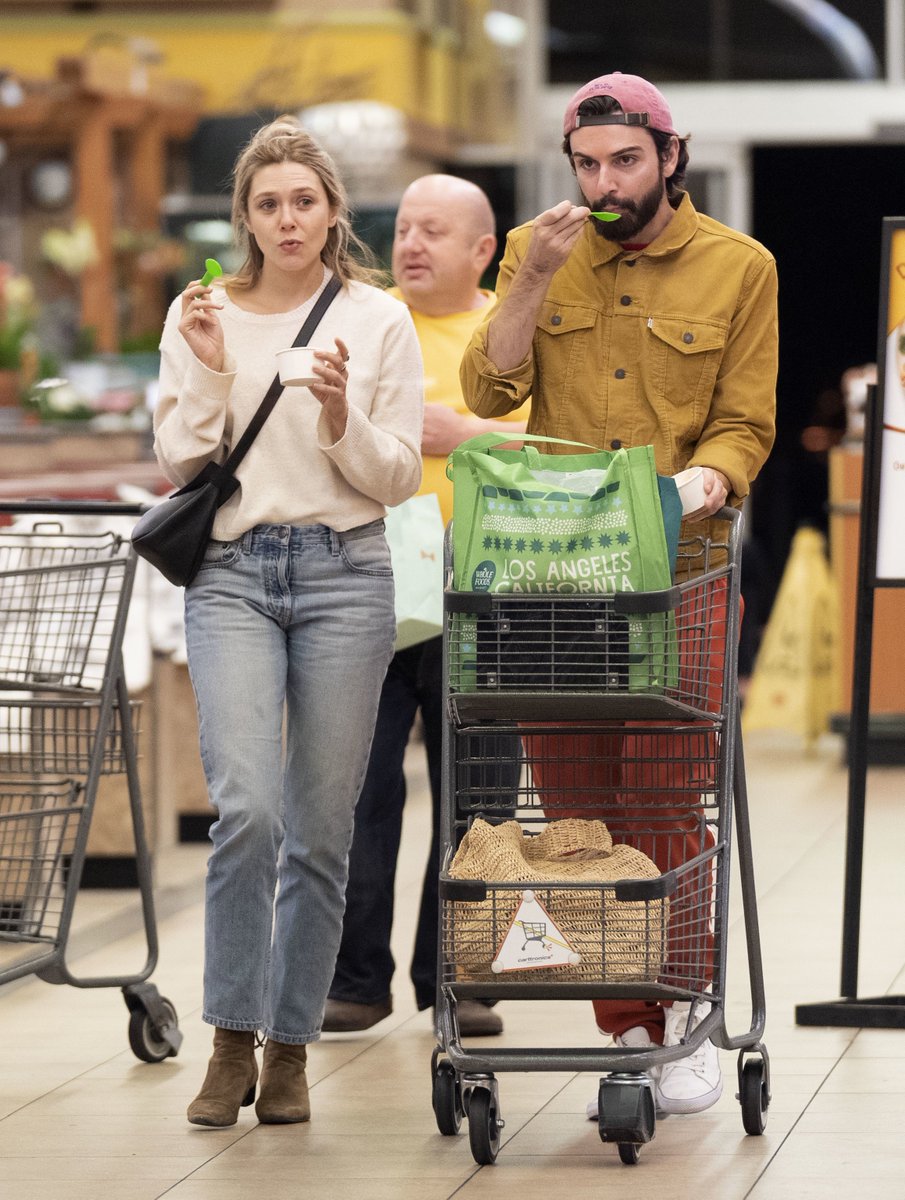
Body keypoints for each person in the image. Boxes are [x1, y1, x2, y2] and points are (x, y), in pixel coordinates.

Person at [460, 72, 778, 1115]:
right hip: (553, 575)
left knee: (663, 796)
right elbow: (487, 389)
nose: (603, 184)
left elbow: (745, 421)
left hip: (677, 574)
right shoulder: (534, 250)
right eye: (586, 164)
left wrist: (699, 483)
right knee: (575, 811)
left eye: (624, 162)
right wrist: (527, 283)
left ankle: (679, 1014)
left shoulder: (741, 267)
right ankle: (629, 1026)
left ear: (669, 156)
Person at [153, 115, 423, 1127]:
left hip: (345, 574)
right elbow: (182, 464)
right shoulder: (203, 311)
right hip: (230, 572)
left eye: (302, 200)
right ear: (246, 216)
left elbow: (393, 474)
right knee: (248, 811)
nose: (286, 218)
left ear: (330, 211)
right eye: (267, 203)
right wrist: (216, 366)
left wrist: (340, 413)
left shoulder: (376, 318)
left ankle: (292, 1046)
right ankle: (229, 1037)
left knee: (319, 827)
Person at [322, 174, 527, 1038]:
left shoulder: (507, 331)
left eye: (434, 231)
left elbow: (566, 442)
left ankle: (461, 976)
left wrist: (464, 434)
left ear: (482, 249)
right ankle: (355, 978)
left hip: (486, 590)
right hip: (367, 577)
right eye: (404, 228)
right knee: (355, 788)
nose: (410, 244)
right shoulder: (361, 318)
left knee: (478, 794)